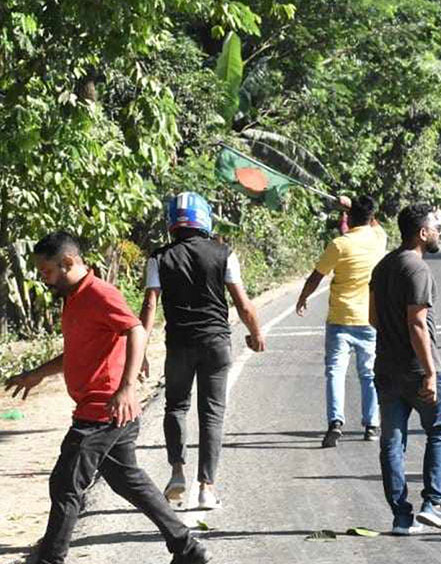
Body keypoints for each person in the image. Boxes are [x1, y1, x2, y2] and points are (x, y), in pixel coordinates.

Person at [4, 232, 210, 564]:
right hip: (105, 410)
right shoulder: (74, 298)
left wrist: (127, 387)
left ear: (68, 262)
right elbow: (77, 352)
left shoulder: (100, 293)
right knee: (128, 480)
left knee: (65, 485)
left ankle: (50, 559)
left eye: (47, 272)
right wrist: (37, 374)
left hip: (103, 409)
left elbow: (137, 330)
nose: (45, 280)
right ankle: (187, 547)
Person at [140, 192, 265, 510]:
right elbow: (242, 303)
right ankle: (207, 488)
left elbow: (150, 304)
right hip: (216, 344)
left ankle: (177, 471)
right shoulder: (224, 253)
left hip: (179, 345)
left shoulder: (159, 257)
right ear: (204, 219)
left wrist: (140, 350)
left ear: (172, 222)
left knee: (176, 407)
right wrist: (255, 334)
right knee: (211, 416)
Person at [369, 203, 441, 535]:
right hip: (417, 368)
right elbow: (417, 325)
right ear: (422, 233)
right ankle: (434, 504)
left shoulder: (382, 267)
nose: (439, 231)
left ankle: (401, 517)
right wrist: (430, 372)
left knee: (392, 443)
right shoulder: (418, 270)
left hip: (386, 367)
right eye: (435, 226)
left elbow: (373, 318)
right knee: (439, 431)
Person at [297, 195, 387, 448]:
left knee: (335, 373)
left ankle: (335, 422)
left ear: (349, 218)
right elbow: (375, 223)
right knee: (368, 374)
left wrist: (303, 298)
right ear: (370, 217)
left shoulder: (339, 245)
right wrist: (351, 206)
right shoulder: (379, 239)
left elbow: (316, 276)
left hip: (339, 319)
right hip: (370, 318)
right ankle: (372, 425)